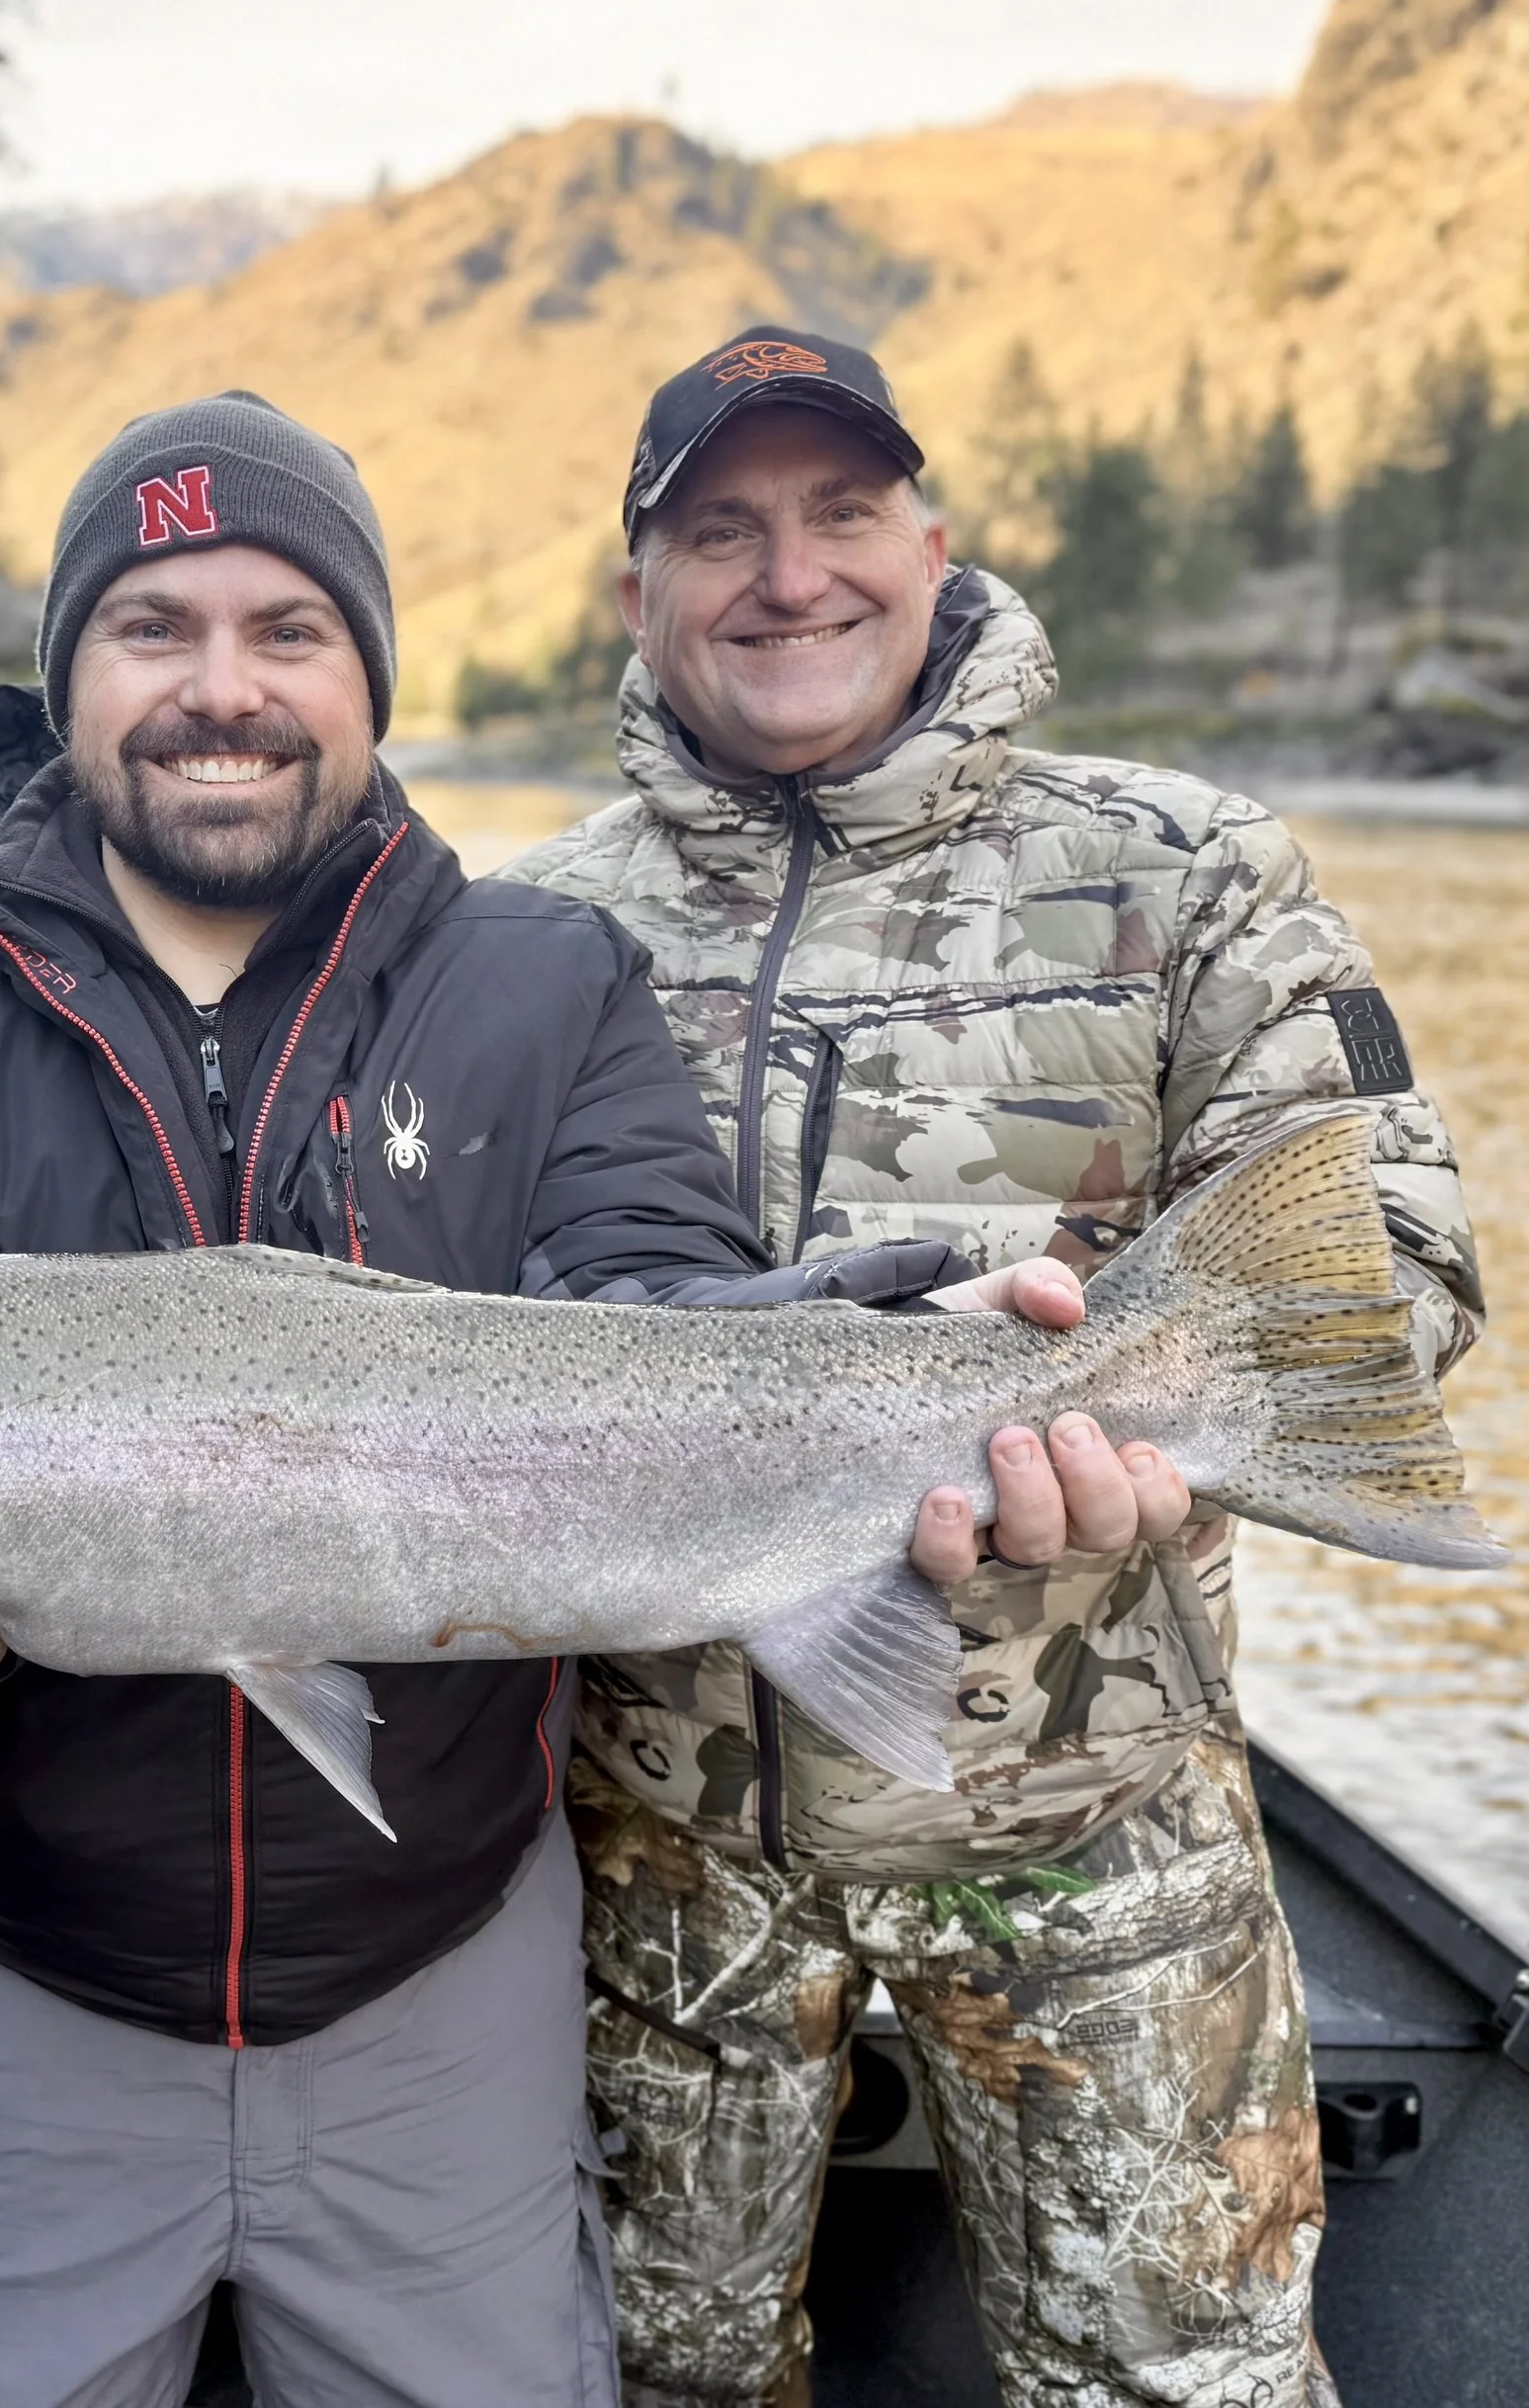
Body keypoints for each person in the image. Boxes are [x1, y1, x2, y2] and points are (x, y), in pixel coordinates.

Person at [0, 390, 1187, 2408]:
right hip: (4, 1973)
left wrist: (847, 1329)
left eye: (284, 630)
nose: (217, 690)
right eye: (150, 628)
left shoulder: (541, 978)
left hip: (445, 1980)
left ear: (366, 680)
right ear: (64, 677)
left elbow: (644, 1304)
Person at [502, 325, 1485, 2408]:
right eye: (721, 530)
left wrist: (1171, 1438)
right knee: (642, 2387)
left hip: (1097, 1840)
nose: (788, 575)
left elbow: (1391, 1283)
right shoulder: (514, 937)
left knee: (1177, 2387)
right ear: (635, 592)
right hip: (641, 1863)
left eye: (839, 515)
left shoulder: (1186, 869)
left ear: (931, 545)